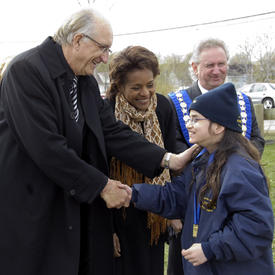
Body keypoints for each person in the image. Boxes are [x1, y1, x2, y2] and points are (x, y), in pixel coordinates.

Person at [0, 9, 192, 275]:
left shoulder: (84, 80)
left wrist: (168, 159)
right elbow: (47, 147)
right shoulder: (26, 71)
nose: (105, 58)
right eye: (102, 49)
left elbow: (112, 130)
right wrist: (102, 186)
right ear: (78, 39)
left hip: (69, 204)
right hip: (33, 206)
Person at [131, 82, 274, 275]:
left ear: (218, 127)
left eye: (196, 119)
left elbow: (256, 227)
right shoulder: (203, 160)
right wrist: (132, 194)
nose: (188, 125)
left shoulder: (239, 169)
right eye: (190, 119)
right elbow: (177, 197)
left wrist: (210, 249)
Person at [166, 38, 265, 275]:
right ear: (194, 67)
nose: (217, 70)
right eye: (210, 65)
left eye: (222, 64)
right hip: (192, 201)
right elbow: (173, 147)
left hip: (233, 198)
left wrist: (234, 160)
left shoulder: (243, 101)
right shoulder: (174, 103)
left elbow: (257, 140)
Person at [105, 45, 176, 275]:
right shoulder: (106, 111)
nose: (145, 93)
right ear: (119, 86)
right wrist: (108, 229)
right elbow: (99, 168)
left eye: (150, 85)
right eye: (136, 87)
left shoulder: (163, 107)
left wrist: (174, 210)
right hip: (121, 213)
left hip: (155, 212)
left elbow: (172, 157)